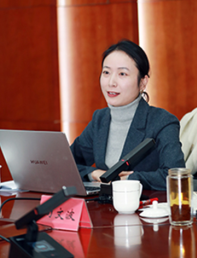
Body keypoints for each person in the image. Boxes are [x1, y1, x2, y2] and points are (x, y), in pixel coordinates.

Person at [70, 40, 186, 191]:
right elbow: (66, 164)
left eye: (122, 74)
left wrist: (130, 179)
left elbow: (175, 176)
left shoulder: (162, 121)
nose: (111, 82)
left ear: (143, 82)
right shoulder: (100, 119)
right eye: (106, 72)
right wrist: (93, 173)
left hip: (144, 204)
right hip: (103, 204)